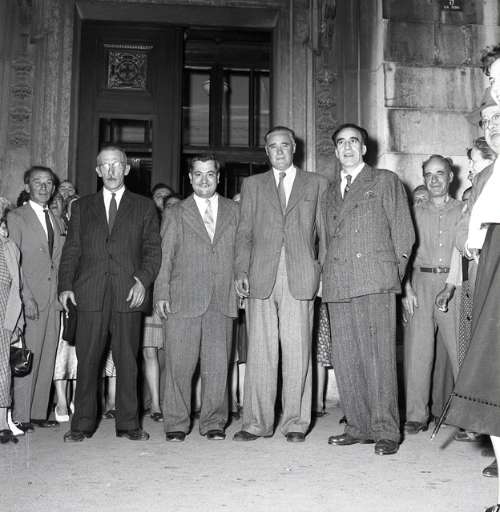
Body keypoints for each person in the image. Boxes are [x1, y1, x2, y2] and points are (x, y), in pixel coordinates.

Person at [322, 123, 414, 455]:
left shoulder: (385, 181)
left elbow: (404, 233)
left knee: (379, 357)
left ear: (364, 148)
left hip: (375, 280)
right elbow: (326, 240)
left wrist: (391, 275)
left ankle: (386, 430)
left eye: (353, 142)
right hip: (339, 282)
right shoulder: (329, 191)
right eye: (341, 143)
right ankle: (358, 426)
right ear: (335, 151)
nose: (347, 147)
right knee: (346, 358)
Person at [58, 145, 161, 442]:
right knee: (88, 360)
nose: (112, 170)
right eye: (105, 165)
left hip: (129, 293)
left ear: (127, 168)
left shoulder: (144, 206)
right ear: (98, 170)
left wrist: (142, 282)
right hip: (89, 293)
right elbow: (71, 250)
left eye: (117, 164)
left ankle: (128, 424)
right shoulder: (82, 206)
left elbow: (153, 251)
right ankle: (81, 425)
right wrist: (65, 285)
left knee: (128, 360)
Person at [233, 125, 328, 443]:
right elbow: (244, 232)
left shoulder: (316, 183)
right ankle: (256, 423)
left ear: (294, 148)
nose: (279, 151)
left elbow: (325, 234)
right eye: (272, 146)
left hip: (300, 275)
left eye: (284, 145)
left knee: (298, 351)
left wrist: (322, 273)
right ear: (266, 151)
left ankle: (296, 422)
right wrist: (240, 271)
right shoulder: (252, 185)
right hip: (261, 275)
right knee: (260, 351)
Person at [154, 154, 239, 442]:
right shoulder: (176, 212)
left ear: (219, 177)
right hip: (182, 298)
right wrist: (161, 292)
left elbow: (242, 252)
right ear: (190, 178)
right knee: (179, 365)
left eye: (210, 174)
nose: (204, 180)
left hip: (221, 298)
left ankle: (214, 421)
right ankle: (176, 423)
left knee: (218, 366)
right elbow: (165, 256)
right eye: (198, 174)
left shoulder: (234, 210)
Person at [443, 84, 500, 512]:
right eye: (487, 120)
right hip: (486, 272)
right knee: (490, 378)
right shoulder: (485, 176)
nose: (493, 126)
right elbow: (465, 235)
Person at [402, 155, 462, 434]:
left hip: (454, 283)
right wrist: (406, 288)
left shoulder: (464, 210)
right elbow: (403, 253)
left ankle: (469, 417)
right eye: (429, 174)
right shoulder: (412, 212)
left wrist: (451, 286)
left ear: (451, 176)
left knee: (460, 353)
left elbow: (463, 251)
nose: (434, 179)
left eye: (440, 173)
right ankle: (416, 415)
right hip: (420, 283)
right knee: (418, 351)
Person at [8, 166, 63, 431]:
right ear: (27, 186)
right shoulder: (17, 217)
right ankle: (21, 414)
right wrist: (25, 297)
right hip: (30, 297)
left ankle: (39, 412)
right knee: (26, 356)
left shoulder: (56, 219)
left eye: (48, 182)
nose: (43, 187)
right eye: (37, 182)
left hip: (53, 299)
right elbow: (13, 261)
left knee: (48, 354)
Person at [0, 204, 24, 444]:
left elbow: (17, 287)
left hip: (3, 313)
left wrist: (18, 321)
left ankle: (1, 423)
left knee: (2, 369)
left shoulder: (9, 248)